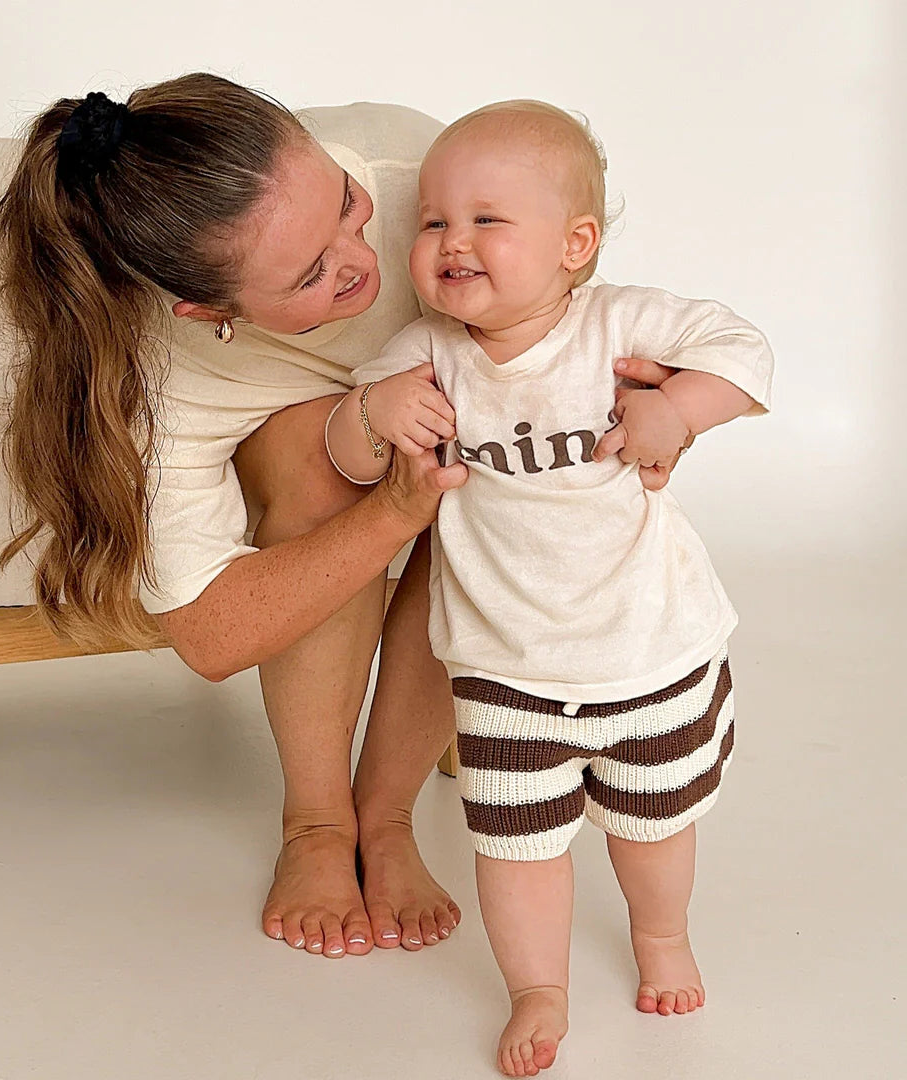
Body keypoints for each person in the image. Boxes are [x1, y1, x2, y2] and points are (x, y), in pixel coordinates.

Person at [0, 73, 684, 964]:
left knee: (484, 465)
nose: (367, 258)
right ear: (207, 310)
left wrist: (651, 406)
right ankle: (316, 822)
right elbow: (209, 634)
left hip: (423, 410)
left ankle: (385, 817)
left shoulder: (427, 178)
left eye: (347, 208)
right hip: (302, 438)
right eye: (314, 272)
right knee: (317, 461)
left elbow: (557, 334)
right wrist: (391, 510)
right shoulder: (155, 371)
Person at [326, 100, 772, 1074]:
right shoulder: (426, 356)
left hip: (649, 644)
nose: (452, 241)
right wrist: (370, 413)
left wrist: (677, 412)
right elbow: (348, 458)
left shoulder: (616, 326)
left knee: (654, 825)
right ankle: (539, 986)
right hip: (504, 665)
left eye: (488, 220)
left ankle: (659, 937)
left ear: (576, 244)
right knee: (516, 847)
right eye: (434, 222)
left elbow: (745, 350)